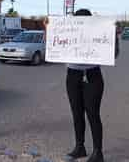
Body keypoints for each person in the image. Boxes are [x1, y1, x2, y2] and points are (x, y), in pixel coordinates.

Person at [44, 9, 119, 162]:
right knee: (76, 113)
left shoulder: (98, 33)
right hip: (73, 75)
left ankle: (98, 152)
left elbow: (114, 53)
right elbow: (52, 47)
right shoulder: (68, 32)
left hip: (92, 75)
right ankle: (80, 147)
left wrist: (114, 37)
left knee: (93, 114)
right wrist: (48, 29)